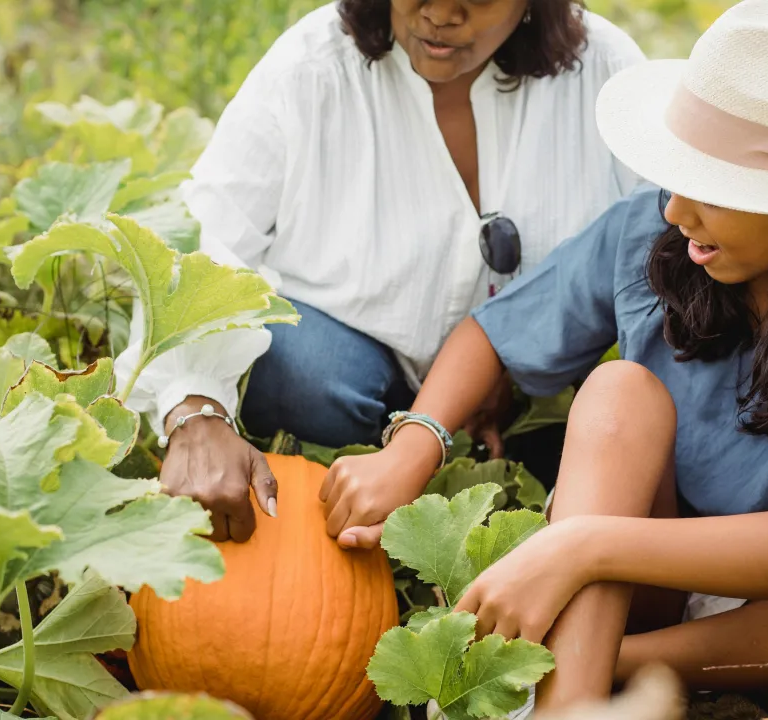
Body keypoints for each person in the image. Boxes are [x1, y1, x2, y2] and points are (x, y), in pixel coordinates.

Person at [317, 0, 768, 714]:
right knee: (620, 391)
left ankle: (600, 669)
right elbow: (491, 333)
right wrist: (415, 444)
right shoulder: (655, 234)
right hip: (640, 568)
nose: (677, 210)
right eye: (679, 176)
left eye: (715, 189)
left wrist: (582, 546)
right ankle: (571, 700)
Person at [112, 0, 649, 544]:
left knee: (600, 417)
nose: (440, 13)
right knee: (298, 371)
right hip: (355, 377)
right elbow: (209, 235)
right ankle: (376, 468)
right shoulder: (310, 68)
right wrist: (195, 406)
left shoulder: (606, 75)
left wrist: (514, 365)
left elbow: (660, 253)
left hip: (530, 397)